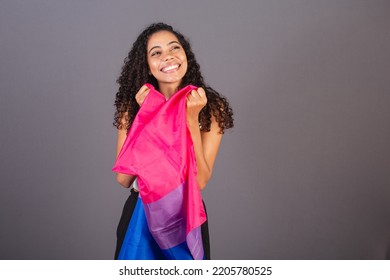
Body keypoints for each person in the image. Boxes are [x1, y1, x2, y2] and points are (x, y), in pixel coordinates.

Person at [112, 22, 234, 260]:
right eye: (156, 53)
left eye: (174, 48)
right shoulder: (134, 108)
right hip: (141, 212)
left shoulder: (210, 107)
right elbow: (123, 178)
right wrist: (147, 117)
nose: (168, 57)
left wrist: (191, 119)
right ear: (147, 65)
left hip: (185, 215)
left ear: (184, 54)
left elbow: (199, 180)